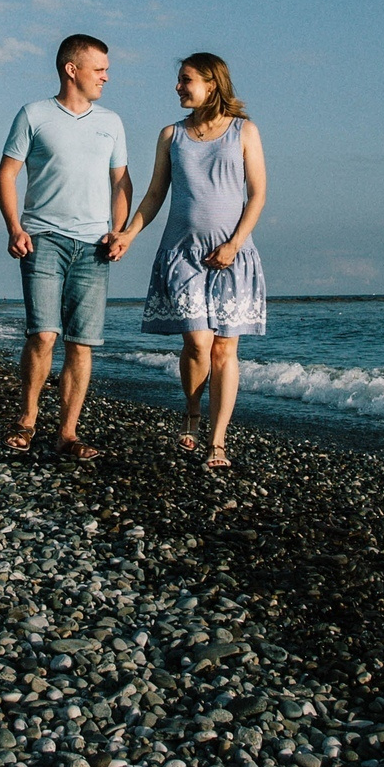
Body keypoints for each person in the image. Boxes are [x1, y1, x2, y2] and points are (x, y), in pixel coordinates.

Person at [107, 52, 267, 469]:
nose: (179, 87)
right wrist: (128, 234)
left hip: (233, 253)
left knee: (225, 349)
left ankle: (217, 441)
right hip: (182, 253)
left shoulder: (244, 131)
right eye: (179, 80)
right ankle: (193, 412)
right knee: (197, 343)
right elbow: (156, 193)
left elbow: (258, 195)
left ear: (212, 83)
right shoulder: (171, 135)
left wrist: (235, 243)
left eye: (186, 80)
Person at [0, 33, 131, 460]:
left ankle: (67, 434)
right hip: (43, 240)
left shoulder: (111, 122)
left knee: (81, 342)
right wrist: (15, 227)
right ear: (72, 70)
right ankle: (27, 420)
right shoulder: (34, 114)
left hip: (94, 246)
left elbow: (121, 181)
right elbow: (7, 175)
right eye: (100, 69)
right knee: (44, 335)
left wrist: (120, 230)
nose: (106, 78)